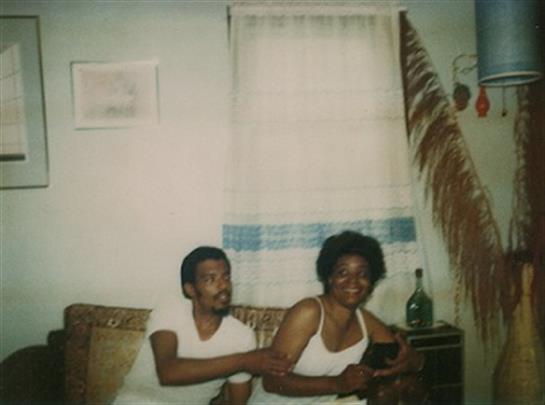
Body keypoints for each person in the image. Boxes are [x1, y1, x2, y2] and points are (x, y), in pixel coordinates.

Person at [248, 230, 425, 404]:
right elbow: (271, 381)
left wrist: (415, 362)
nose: (353, 281)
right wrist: (337, 384)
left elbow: (402, 355)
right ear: (329, 278)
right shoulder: (309, 312)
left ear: (371, 282)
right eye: (343, 272)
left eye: (362, 274)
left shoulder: (366, 322)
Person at [115, 246, 292, 405]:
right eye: (210, 279)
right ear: (190, 289)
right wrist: (244, 361)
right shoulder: (171, 308)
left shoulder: (242, 336)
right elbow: (168, 372)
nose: (223, 286)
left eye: (226, 277)